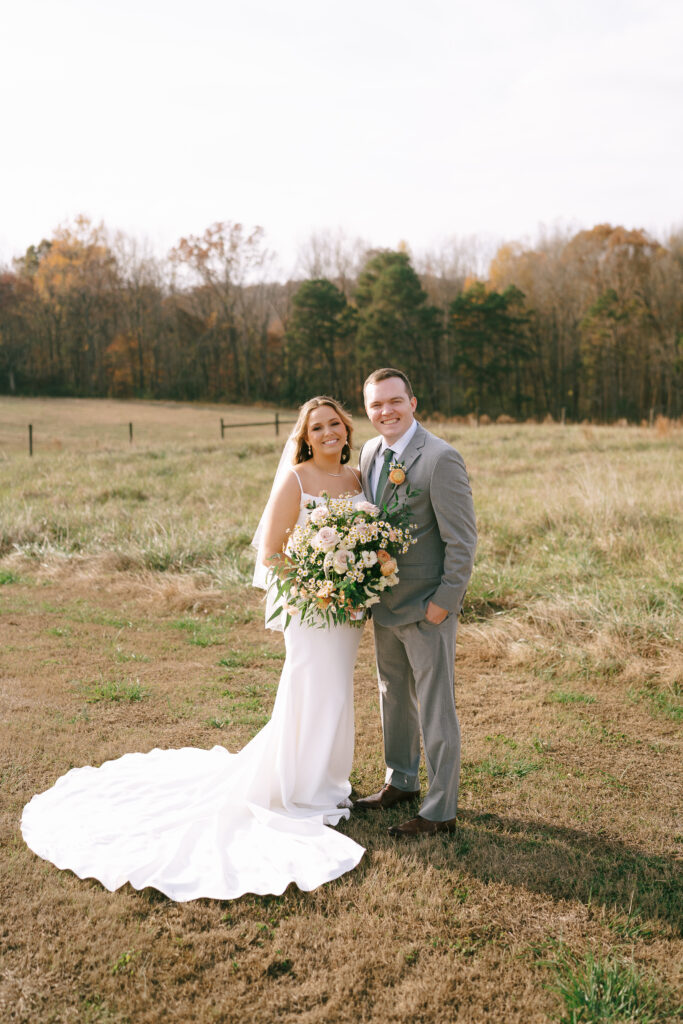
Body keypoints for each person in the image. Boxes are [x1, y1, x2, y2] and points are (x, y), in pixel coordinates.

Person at [21, 396, 366, 901]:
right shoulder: (295, 481)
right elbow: (272, 552)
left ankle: (329, 782)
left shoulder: (357, 480)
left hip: (349, 610)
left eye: (335, 423)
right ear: (305, 436)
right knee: (308, 685)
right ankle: (294, 789)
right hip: (310, 607)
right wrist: (322, 586)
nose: (329, 432)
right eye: (318, 427)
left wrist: (359, 582)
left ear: (345, 428)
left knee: (336, 690)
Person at [355, 368, 477, 836]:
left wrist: (443, 603)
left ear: (413, 402)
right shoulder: (370, 452)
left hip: (427, 608)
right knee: (392, 696)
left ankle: (440, 809)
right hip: (384, 604)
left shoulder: (441, 459)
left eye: (393, 401)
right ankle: (400, 781)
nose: (385, 411)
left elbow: (462, 542)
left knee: (435, 706)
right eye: (375, 405)